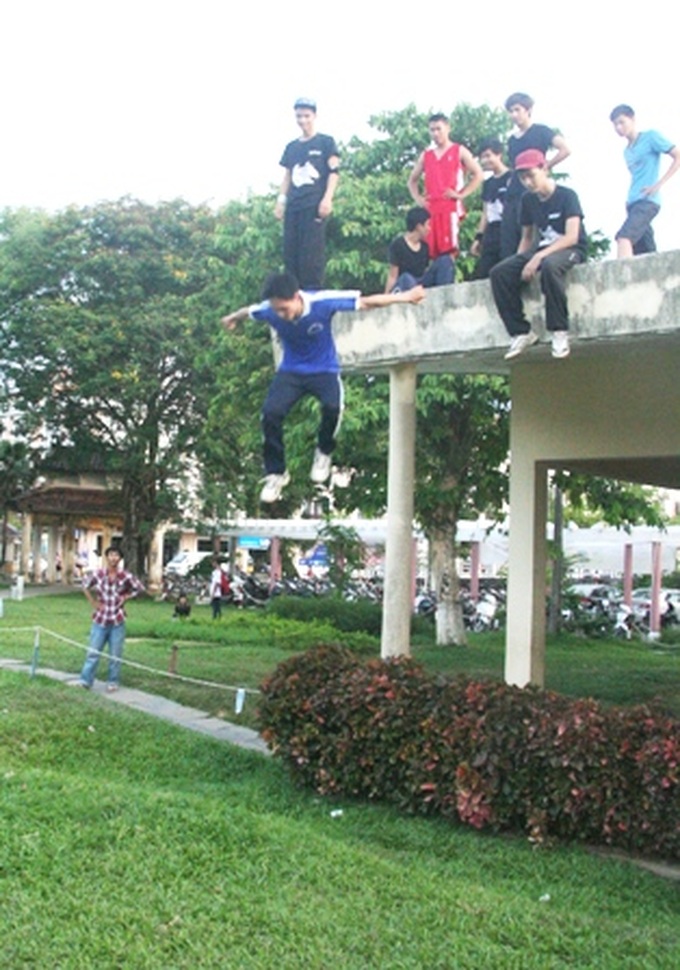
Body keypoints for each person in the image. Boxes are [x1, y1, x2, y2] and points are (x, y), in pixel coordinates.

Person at [221, 272, 425, 503]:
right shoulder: (269, 310)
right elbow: (248, 312)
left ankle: (324, 451)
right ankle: (276, 473)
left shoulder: (322, 302)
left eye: (284, 309)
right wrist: (232, 318)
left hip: (324, 371)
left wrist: (407, 296)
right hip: (291, 372)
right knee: (270, 414)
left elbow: (368, 302)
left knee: (332, 407)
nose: (281, 316)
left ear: (297, 297)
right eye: (276, 310)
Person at [489, 149, 587, 361]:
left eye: (531, 175)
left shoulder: (567, 196)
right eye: (523, 178)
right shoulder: (528, 200)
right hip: (541, 250)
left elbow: (572, 237)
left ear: (544, 169)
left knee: (551, 267)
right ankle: (521, 331)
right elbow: (527, 237)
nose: (527, 182)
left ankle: (559, 331)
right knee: (499, 272)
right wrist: (517, 264)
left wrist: (538, 258)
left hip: (569, 249)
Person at [274, 97, 339, 289]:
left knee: (310, 257)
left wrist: (327, 198)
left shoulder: (326, 142)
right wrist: (280, 201)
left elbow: (334, 173)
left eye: (306, 116)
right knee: (291, 255)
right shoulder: (292, 147)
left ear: (314, 116)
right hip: (294, 206)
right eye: (299, 116)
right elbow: (287, 175)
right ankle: (292, 296)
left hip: (314, 206)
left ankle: (312, 296)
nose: (302, 120)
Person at [407, 113, 483, 272]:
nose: (435, 133)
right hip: (431, 207)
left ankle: (446, 280)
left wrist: (462, 194)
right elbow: (412, 180)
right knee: (428, 247)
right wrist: (419, 199)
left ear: (447, 128)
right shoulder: (426, 155)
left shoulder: (458, 150)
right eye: (432, 130)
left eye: (438, 129)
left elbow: (478, 173)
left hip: (449, 205)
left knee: (449, 248)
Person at [501, 93, 570, 259]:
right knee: (510, 236)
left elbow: (565, 149)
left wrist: (547, 166)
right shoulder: (512, 140)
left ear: (528, 110)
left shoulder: (541, 131)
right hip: (515, 192)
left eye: (517, 110)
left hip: (535, 190)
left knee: (534, 234)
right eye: (511, 111)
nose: (514, 115)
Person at [609, 104, 680, 259]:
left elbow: (677, 155)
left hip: (647, 201)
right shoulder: (627, 151)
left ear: (632, 119)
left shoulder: (650, 137)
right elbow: (637, 176)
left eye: (622, 122)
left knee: (624, 238)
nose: (619, 128)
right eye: (615, 125)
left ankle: (622, 282)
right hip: (632, 202)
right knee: (644, 251)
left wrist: (658, 184)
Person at [78, 546, 144, 691]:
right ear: (106, 557)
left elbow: (139, 588)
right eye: (111, 555)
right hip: (100, 619)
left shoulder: (125, 576)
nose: (113, 558)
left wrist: (126, 597)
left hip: (117, 619)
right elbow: (85, 585)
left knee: (115, 654)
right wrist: (93, 602)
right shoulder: (99, 574)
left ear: (120, 559)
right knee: (93, 652)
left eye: (116, 555)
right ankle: (85, 680)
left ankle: (113, 681)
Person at [385, 206, 455, 292]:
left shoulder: (424, 247)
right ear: (419, 226)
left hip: (419, 284)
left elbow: (425, 272)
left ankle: (444, 295)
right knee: (407, 278)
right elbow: (393, 276)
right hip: (404, 285)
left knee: (445, 260)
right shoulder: (398, 245)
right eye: (428, 224)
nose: (429, 229)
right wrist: (386, 297)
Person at [470, 138, 511, 278]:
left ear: (499, 155)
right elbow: (486, 212)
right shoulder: (488, 184)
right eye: (482, 157)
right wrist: (479, 237)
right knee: (484, 272)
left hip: (509, 229)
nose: (485, 160)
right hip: (492, 231)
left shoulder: (512, 178)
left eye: (488, 156)